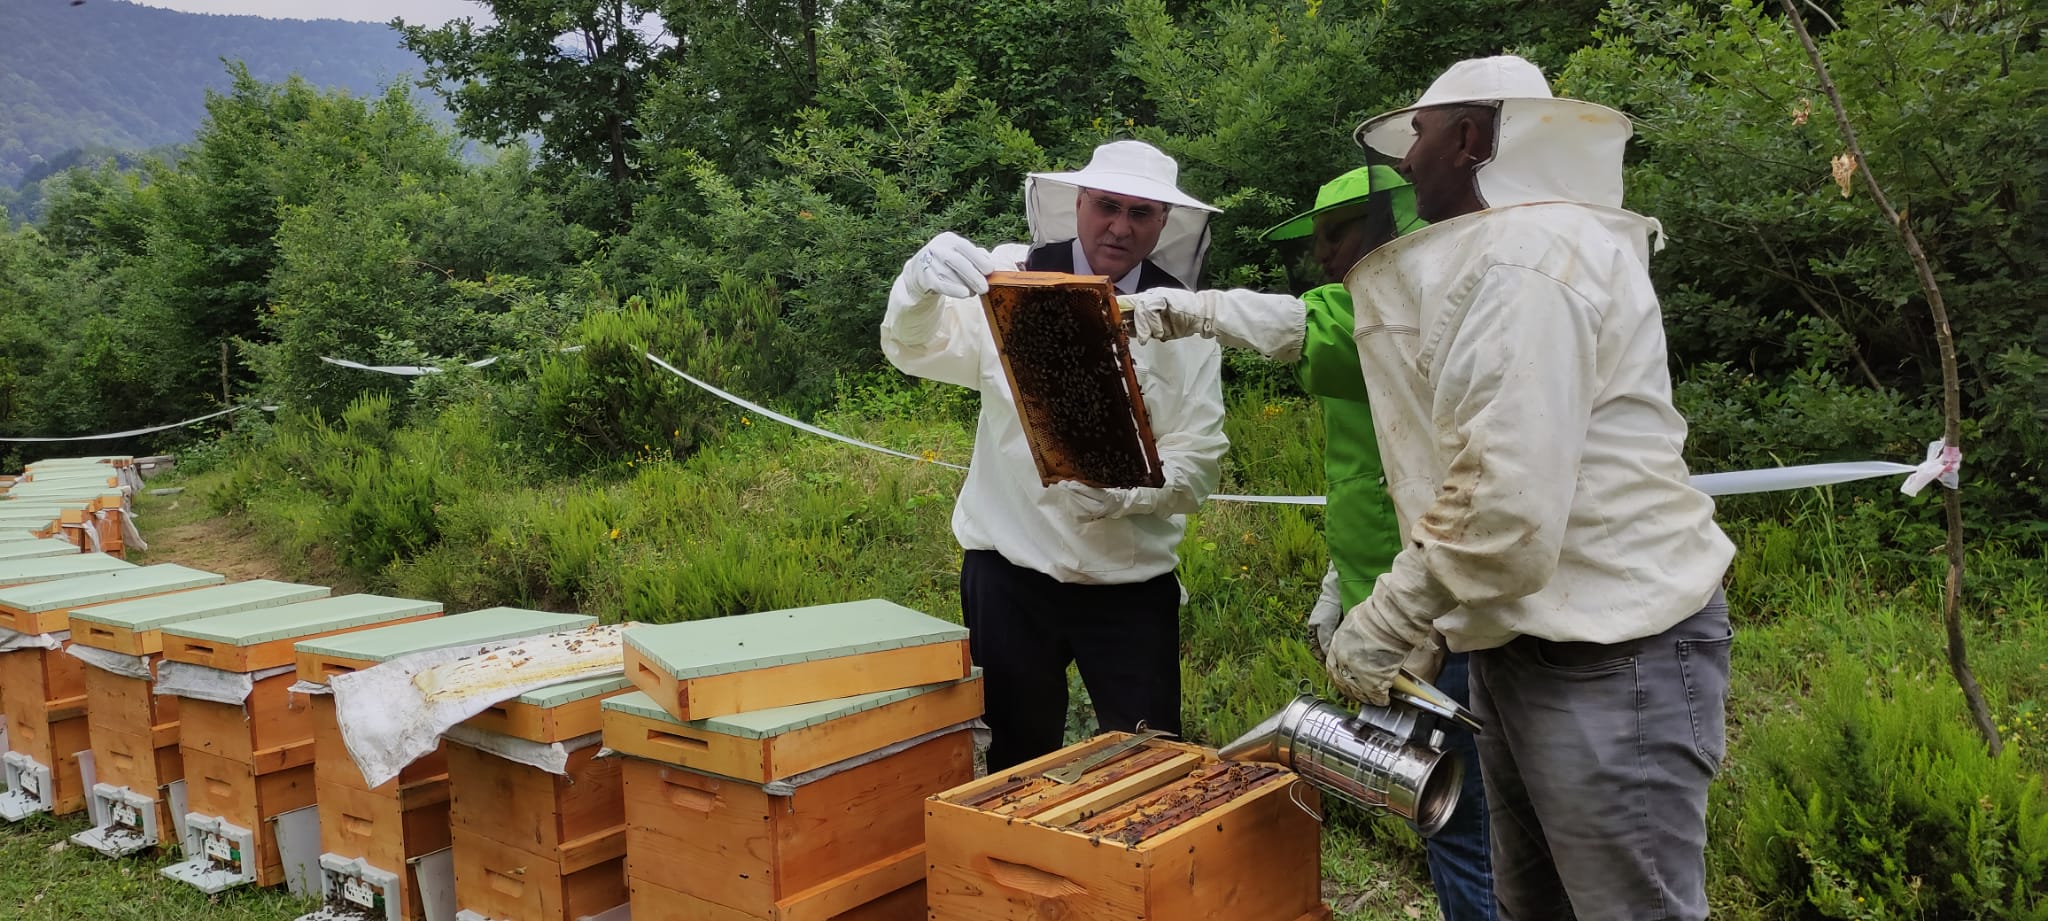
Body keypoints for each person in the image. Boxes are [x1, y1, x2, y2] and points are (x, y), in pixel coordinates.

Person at [1325, 56, 1736, 921]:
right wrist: (1438, 621)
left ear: (1471, 139)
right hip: (1524, 641)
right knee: (1534, 906)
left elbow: (1501, 505)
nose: (1408, 161)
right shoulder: (1517, 252)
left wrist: (1391, 617)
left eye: (1422, 137)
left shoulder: (1532, 259)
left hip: (1612, 654)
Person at [1120, 166, 1496, 921]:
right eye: (1318, 239)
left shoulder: (1407, 312)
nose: (1325, 254)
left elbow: (1302, 328)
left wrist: (1188, 309)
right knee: (1450, 820)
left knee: (1464, 825)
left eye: (1340, 234)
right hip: (1387, 598)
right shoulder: (1370, 322)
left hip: (1443, 616)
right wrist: (1339, 579)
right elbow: (1374, 473)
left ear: (1389, 226)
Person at [879, 140, 1229, 771]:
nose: (1121, 226)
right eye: (1107, 205)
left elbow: (1200, 458)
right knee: (1016, 755)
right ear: (1078, 202)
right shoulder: (1006, 279)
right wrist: (916, 287)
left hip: (1128, 584)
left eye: (1141, 213)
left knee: (1149, 765)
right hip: (1009, 570)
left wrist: (1132, 492)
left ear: (1164, 223)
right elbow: (915, 348)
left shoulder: (1185, 319)